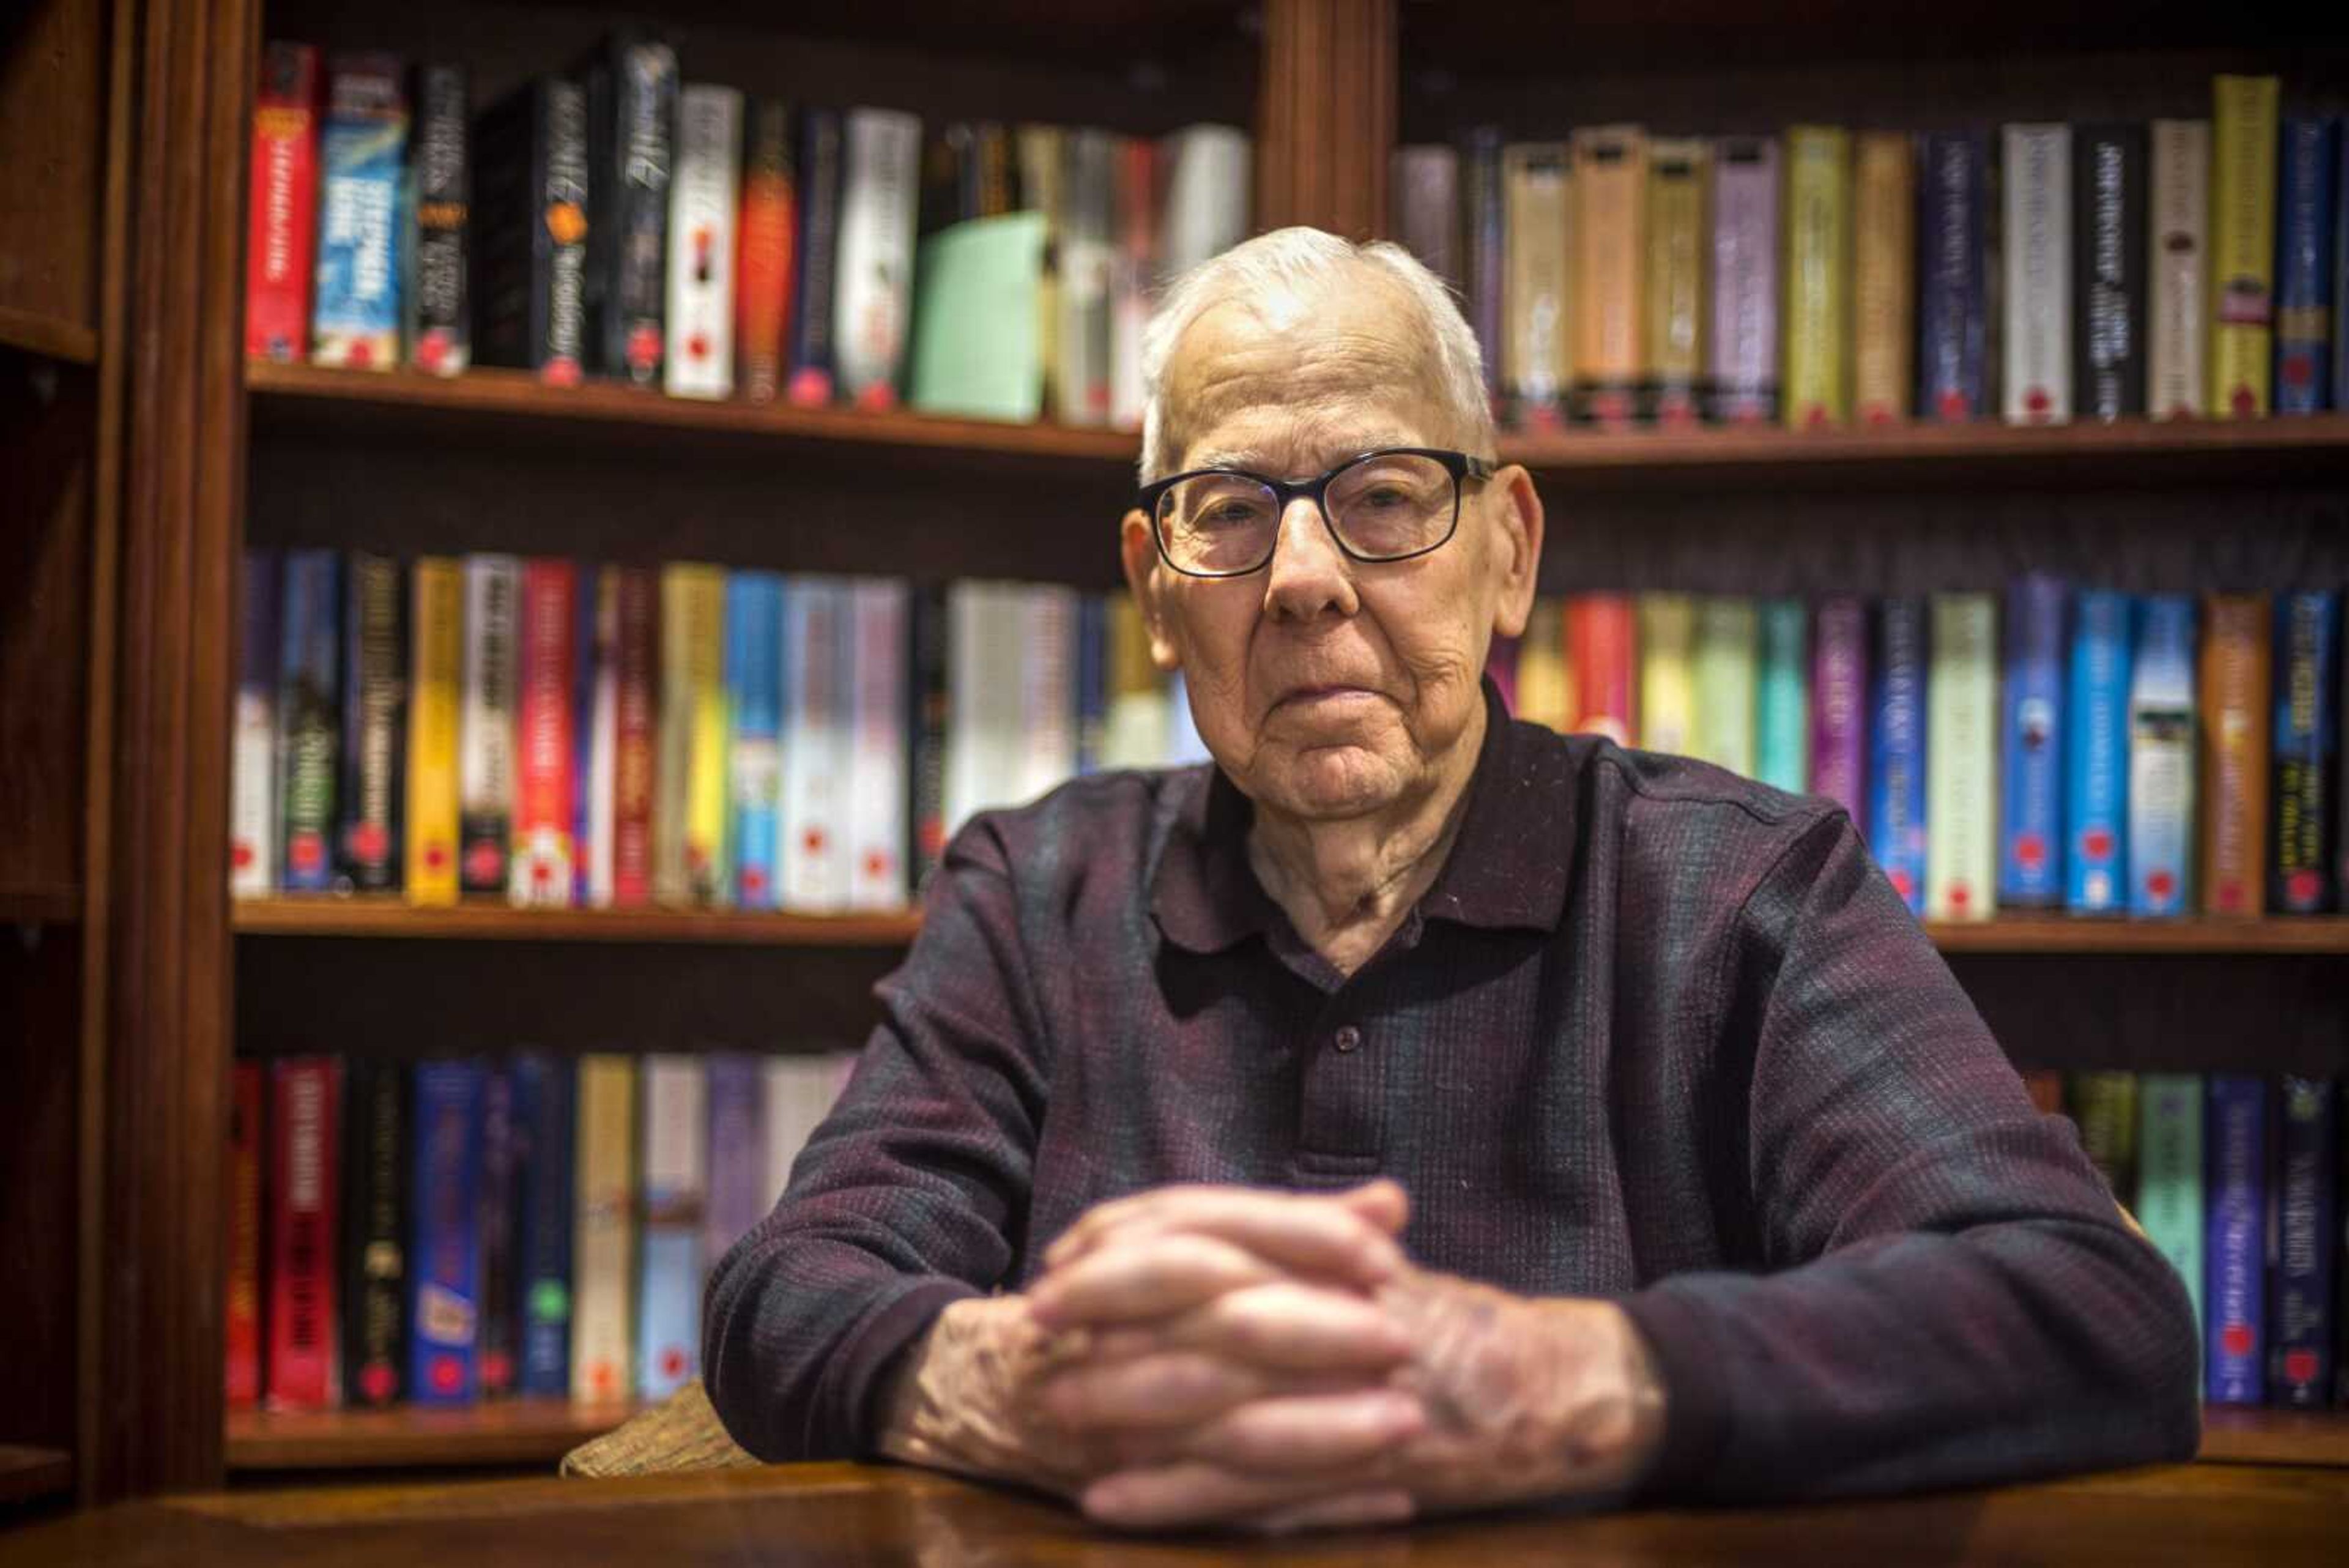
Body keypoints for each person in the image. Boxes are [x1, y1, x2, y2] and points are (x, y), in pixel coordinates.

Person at [702, 228, 2200, 1534]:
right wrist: (1021, 1384)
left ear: (1510, 551)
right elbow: (792, 1290)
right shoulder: (1038, 888)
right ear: (1156, 592)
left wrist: (1557, 1379)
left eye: (1387, 493)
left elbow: (2087, 1309)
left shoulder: (1745, 889)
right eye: (1227, 510)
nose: (1301, 575)